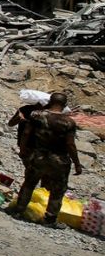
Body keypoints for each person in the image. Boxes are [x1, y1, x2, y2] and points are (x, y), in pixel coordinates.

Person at [7, 92, 83, 227]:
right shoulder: (69, 122)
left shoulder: (36, 115)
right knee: (57, 190)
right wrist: (77, 163)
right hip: (59, 160)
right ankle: (49, 219)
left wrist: (23, 149)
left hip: (38, 157)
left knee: (29, 183)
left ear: (50, 101)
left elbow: (26, 133)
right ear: (64, 105)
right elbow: (70, 144)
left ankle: (18, 211)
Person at [7, 97, 46, 163]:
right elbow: (10, 124)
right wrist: (18, 119)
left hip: (38, 146)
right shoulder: (25, 109)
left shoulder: (46, 114)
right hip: (26, 144)